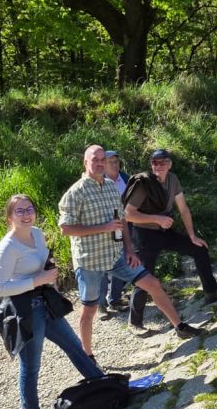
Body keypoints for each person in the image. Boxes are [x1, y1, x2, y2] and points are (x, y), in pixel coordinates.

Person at [59, 145, 204, 350]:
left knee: (153, 283)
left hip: (115, 255)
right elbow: (65, 229)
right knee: (89, 310)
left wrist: (129, 250)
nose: (100, 163)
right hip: (89, 260)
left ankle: (180, 327)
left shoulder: (111, 187)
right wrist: (103, 228)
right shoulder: (75, 192)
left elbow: (123, 220)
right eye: (95, 160)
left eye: (102, 159)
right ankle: (88, 356)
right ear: (85, 162)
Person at [0, 193, 105, 409]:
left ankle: (102, 384)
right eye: (20, 211)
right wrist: (37, 280)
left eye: (29, 209)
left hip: (46, 302)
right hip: (26, 310)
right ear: (10, 217)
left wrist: (49, 275)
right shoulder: (7, 247)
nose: (26, 215)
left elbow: (43, 265)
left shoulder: (37, 233)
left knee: (75, 347)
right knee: (31, 364)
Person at [124, 149, 217, 329]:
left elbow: (183, 208)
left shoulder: (173, 179)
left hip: (164, 231)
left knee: (199, 249)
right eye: (155, 163)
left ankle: (212, 291)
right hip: (143, 235)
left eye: (162, 162)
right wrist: (156, 218)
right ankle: (135, 322)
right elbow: (128, 215)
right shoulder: (144, 184)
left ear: (169, 164)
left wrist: (192, 236)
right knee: (144, 277)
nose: (158, 166)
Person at [98, 151, 130, 317]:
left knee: (121, 261)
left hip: (125, 226)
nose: (115, 165)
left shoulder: (126, 178)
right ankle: (100, 304)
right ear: (103, 165)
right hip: (104, 229)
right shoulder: (97, 181)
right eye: (111, 162)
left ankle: (115, 299)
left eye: (116, 161)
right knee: (102, 267)